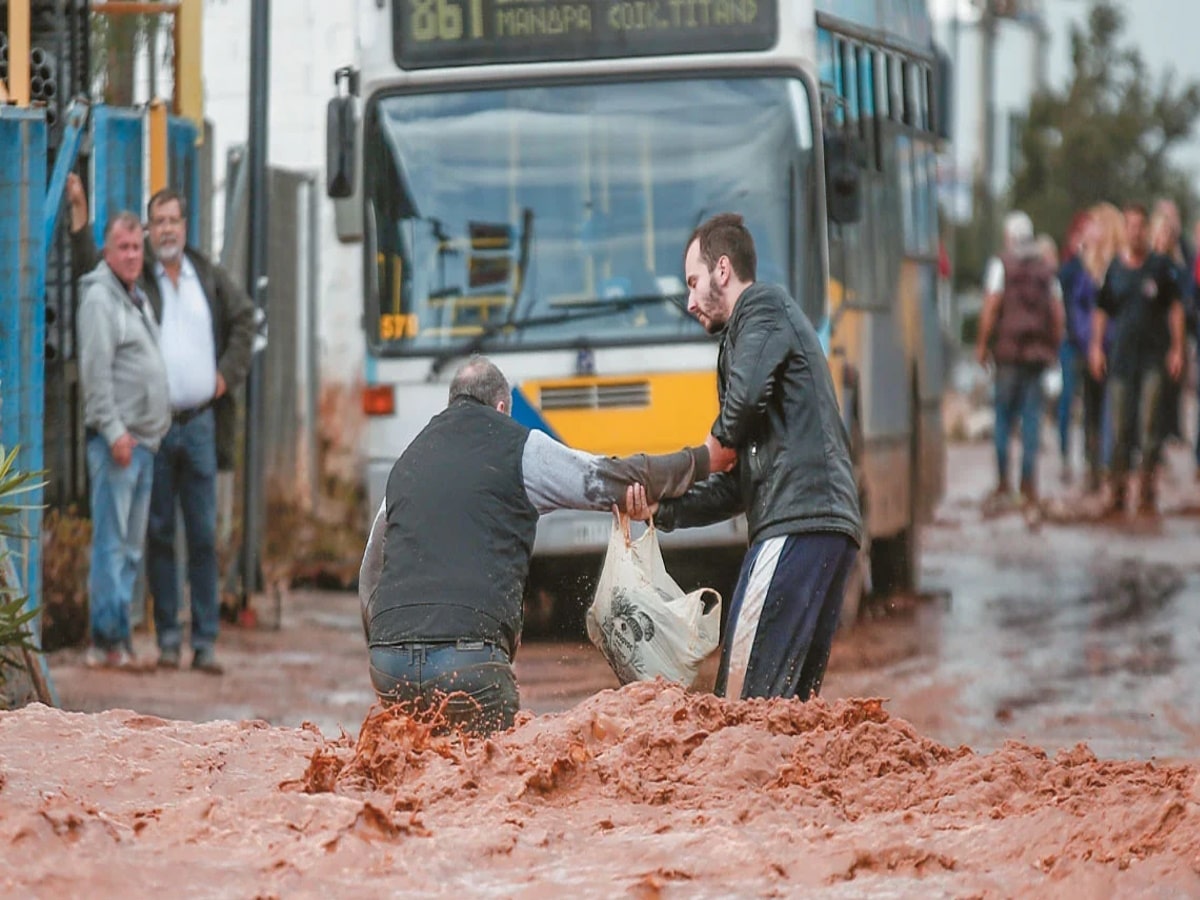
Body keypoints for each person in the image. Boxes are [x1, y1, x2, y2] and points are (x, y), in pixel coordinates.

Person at [356, 356, 713, 737]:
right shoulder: (518, 446)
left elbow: (370, 573)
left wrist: (388, 645)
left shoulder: (407, 461)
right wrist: (703, 461)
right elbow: (609, 479)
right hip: (470, 666)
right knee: (491, 782)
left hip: (389, 666)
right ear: (501, 408)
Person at [628, 213, 862, 704]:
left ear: (723, 270)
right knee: (788, 710)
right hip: (823, 529)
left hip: (794, 526)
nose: (688, 301)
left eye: (693, 282)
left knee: (739, 708)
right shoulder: (757, 334)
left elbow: (738, 415)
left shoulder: (762, 308)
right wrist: (662, 510)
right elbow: (738, 484)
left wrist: (697, 457)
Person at [68, 176, 256, 674]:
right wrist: (81, 221)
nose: (166, 230)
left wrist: (224, 377)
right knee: (154, 538)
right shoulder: (137, 277)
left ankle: (206, 643)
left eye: (174, 220)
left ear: (184, 225)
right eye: (158, 222)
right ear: (149, 231)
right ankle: (168, 640)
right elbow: (96, 268)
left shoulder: (207, 275)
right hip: (150, 431)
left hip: (198, 424)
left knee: (201, 534)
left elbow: (246, 321)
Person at [77, 212, 172, 669]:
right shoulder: (100, 299)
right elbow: (95, 377)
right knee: (112, 545)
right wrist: (114, 431)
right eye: (124, 248)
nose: (133, 255)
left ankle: (121, 639)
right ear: (107, 252)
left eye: (138, 247)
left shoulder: (133, 296)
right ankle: (106, 641)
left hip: (143, 444)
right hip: (119, 444)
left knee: (131, 548)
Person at [1090, 203, 1187, 516]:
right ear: (1125, 230)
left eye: (1139, 226)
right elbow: (1102, 310)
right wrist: (1096, 347)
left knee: (1149, 427)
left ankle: (1146, 492)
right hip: (1120, 360)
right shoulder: (1115, 269)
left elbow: (1175, 308)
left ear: (1145, 229)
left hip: (1153, 360)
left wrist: (1177, 349)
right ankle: (1117, 492)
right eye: (1129, 226)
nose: (1135, 232)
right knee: (1119, 429)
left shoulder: (1159, 267)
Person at [975, 211, 1065, 516]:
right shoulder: (1046, 269)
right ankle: (1028, 485)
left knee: (1003, 418)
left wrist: (982, 345)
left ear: (1009, 237)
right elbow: (1057, 313)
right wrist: (1054, 347)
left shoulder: (1001, 264)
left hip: (1009, 355)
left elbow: (991, 306)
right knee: (1031, 420)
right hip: (1037, 357)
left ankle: (1003, 483)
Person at [1066, 203, 1124, 493]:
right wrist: (1086, 339)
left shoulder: (1120, 266)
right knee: (1090, 409)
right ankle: (1093, 467)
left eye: (1093, 224)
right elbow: (1075, 307)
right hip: (1087, 349)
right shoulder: (1082, 267)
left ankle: (1110, 467)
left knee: (1112, 410)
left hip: (1116, 349)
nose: (1088, 230)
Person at [1054, 211, 1091, 484]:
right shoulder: (1067, 270)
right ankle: (1065, 454)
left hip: (1092, 345)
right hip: (1070, 344)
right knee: (1068, 400)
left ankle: (1091, 457)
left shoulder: (1098, 267)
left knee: (1091, 402)